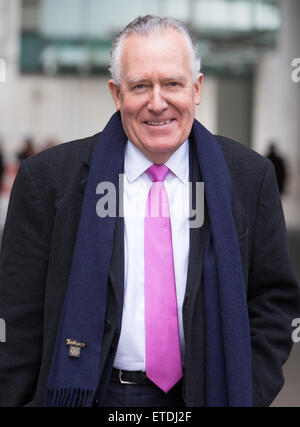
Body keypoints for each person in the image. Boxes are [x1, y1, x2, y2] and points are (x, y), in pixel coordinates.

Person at [0, 15, 299, 408]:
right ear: (116, 93)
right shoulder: (48, 181)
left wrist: (247, 389)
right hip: (88, 393)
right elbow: (17, 318)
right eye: (140, 85)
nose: (157, 103)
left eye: (172, 83)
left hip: (206, 394)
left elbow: (273, 301)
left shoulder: (247, 178)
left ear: (197, 88)